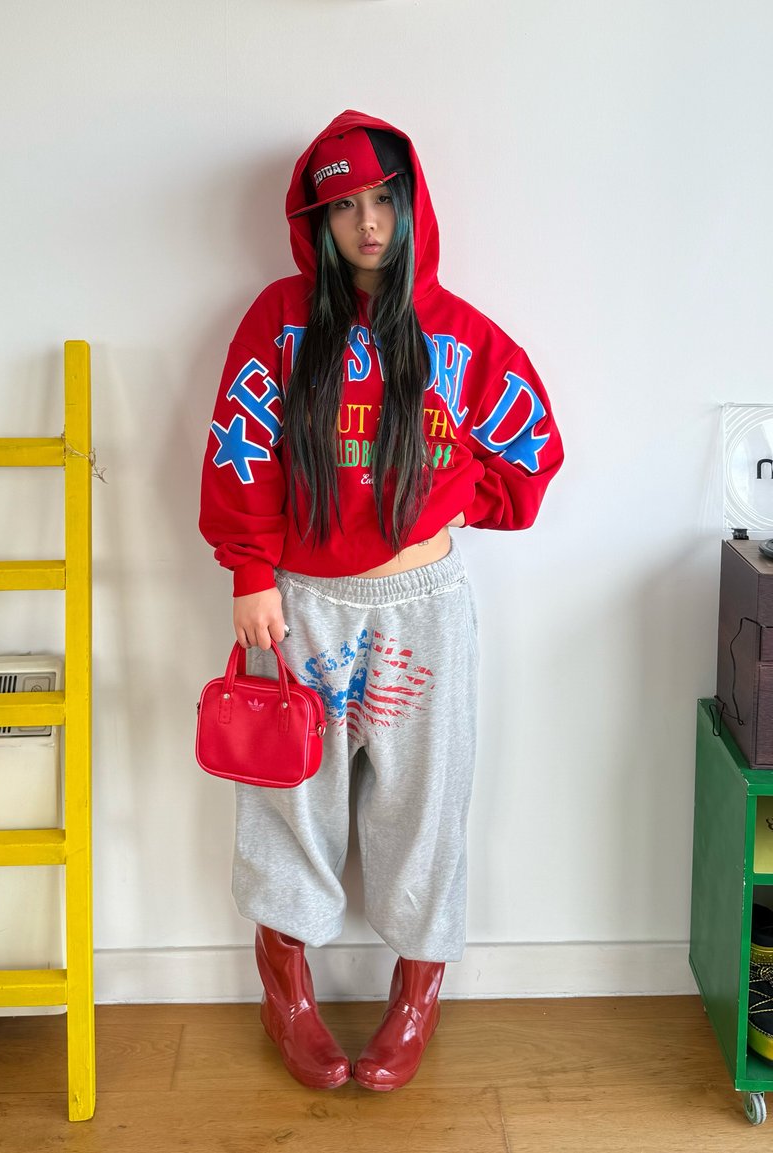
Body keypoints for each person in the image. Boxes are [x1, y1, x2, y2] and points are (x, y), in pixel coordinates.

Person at [200, 110, 563, 1091]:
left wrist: (440, 500)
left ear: (409, 204)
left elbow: (531, 457)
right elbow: (242, 453)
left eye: (382, 200)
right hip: (304, 605)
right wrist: (248, 569)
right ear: (315, 219)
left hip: (423, 606)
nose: (367, 223)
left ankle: (416, 986)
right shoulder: (278, 322)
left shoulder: (453, 336)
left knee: (423, 797)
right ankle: (287, 982)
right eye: (344, 205)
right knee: (292, 798)